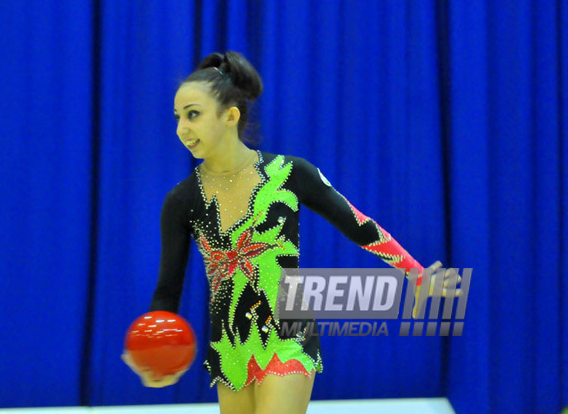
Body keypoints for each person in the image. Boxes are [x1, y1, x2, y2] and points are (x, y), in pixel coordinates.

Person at [122, 51, 462, 414]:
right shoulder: (182, 200)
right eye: (177, 117)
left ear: (230, 116)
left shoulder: (289, 174)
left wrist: (415, 272)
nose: (181, 129)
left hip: (289, 330)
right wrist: (152, 352)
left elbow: (358, 224)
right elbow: (167, 292)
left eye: (193, 114)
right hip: (230, 344)